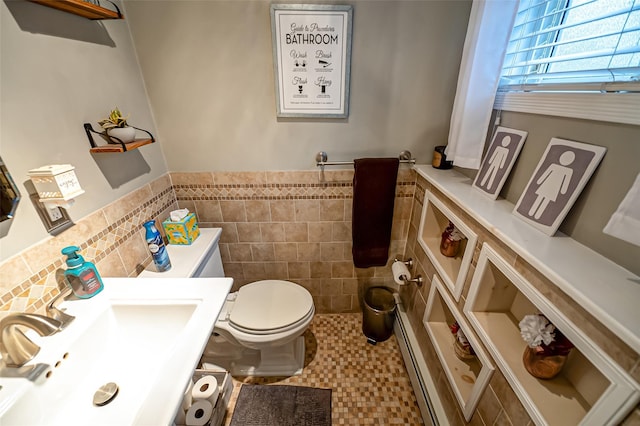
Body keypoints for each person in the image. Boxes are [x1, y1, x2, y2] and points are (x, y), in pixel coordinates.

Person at [528, 151, 576, 220]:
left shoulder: (568, 171)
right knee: (540, 197)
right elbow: (546, 174)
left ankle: (537, 215)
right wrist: (539, 181)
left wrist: (563, 190)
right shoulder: (554, 166)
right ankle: (531, 212)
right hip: (546, 184)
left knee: (546, 201)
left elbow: (566, 181)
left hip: (554, 188)